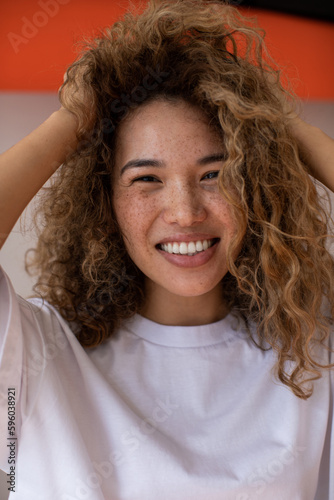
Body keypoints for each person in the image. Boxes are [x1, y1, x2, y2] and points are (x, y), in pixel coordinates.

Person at [0, 0, 333, 498]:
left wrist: (280, 129)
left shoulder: (312, 353)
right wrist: (73, 119)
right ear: (103, 197)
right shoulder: (36, 350)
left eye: (215, 174)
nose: (184, 212)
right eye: (146, 178)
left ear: (256, 184)